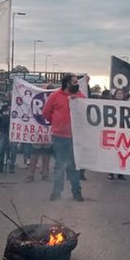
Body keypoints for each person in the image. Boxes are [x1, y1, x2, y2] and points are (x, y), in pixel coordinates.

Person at [42, 73, 86, 201]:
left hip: (75, 137)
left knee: (74, 165)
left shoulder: (80, 97)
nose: (77, 85)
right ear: (67, 84)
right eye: (74, 82)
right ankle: (56, 192)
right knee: (59, 165)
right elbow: (46, 114)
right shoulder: (55, 96)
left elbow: (86, 114)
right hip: (59, 137)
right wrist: (57, 123)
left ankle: (76, 191)